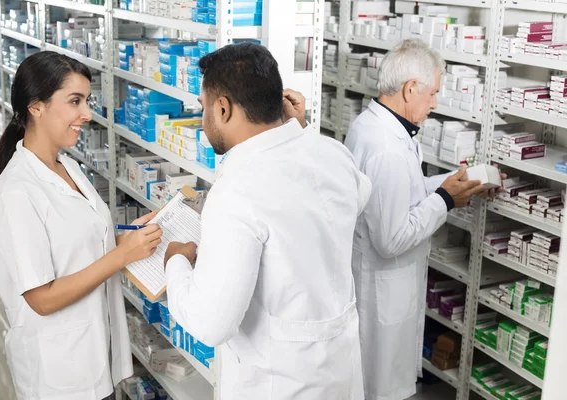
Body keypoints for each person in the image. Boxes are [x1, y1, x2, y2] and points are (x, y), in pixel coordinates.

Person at [162, 42, 371, 399]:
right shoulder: (331, 152)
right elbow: (356, 197)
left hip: (279, 384)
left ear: (223, 108)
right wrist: (299, 132)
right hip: (340, 373)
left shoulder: (238, 191)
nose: (203, 119)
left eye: (203, 107)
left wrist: (176, 263)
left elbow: (211, 325)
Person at [0, 51, 162, 400]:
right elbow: (42, 299)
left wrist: (130, 238)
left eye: (87, 101)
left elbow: (77, 244)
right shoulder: (17, 193)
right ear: (36, 106)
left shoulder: (66, 167)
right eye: (75, 101)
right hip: (57, 375)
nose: (87, 114)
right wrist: (122, 256)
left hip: (93, 359)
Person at [344, 39, 500, 400]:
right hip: (382, 289)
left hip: (378, 284)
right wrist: (446, 199)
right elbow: (391, 239)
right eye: (432, 93)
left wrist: (453, 183)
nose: (434, 103)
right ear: (410, 88)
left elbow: (402, 189)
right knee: (381, 388)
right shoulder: (387, 149)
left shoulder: (375, 126)